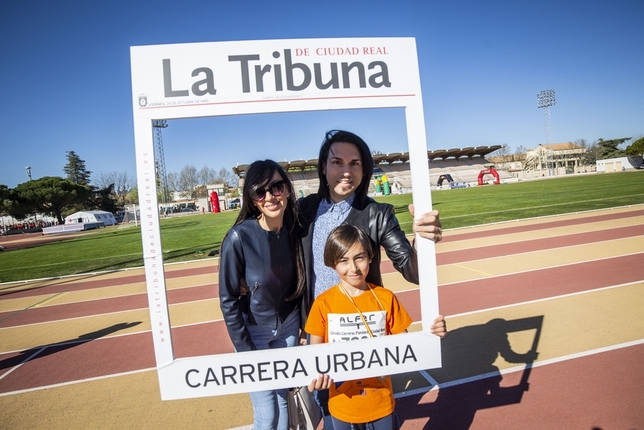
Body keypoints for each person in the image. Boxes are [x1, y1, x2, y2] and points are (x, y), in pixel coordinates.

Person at [298, 130, 446, 429]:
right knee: (329, 411)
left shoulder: (378, 213)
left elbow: (413, 270)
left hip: (364, 334)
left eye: (355, 164)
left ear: (364, 170)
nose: (346, 171)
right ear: (323, 167)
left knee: (375, 408)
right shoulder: (303, 211)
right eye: (337, 162)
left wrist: (422, 238)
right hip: (319, 330)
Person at [305, 225, 446, 430]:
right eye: (343, 260)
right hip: (342, 405)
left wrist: (432, 336)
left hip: (381, 403)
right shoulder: (323, 303)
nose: (353, 268)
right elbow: (313, 354)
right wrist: (314, 377)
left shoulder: (385, 298)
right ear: (333, 263)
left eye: (359, 258)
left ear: (370, 257)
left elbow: (406, 347)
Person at [218, 160, 305, 430]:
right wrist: (246, 351)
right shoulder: (238, 238)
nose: (270, 196)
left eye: (277, 187)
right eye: (260, 191)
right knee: (266, 416)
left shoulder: (297, 229)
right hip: (253, 332)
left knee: (282, 402)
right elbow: (228, 300)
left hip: (288, 327)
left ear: (287, 190)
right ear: (252, 199)